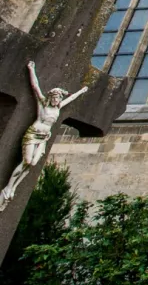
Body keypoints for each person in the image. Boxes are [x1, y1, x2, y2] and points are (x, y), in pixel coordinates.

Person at [0, 61, 87, 210]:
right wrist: (31, 69)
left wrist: (81, 91)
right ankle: (8, 187)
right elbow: (35, 87)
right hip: (33, 135)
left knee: (32, 164)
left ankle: (13, 188)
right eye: (54, 98)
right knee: (26, 161)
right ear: (50, 97)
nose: (56, 100)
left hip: (43, 138)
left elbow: (71, 98)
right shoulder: (43, 104)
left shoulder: (58, 108)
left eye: (58, 98)